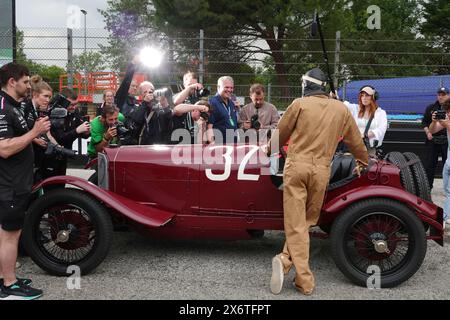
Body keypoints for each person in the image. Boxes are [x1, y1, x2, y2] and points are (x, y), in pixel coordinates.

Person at [267, 67, 368, 296]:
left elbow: (279, 136)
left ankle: (303, 278)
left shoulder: (299, 104)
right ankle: (285, 260)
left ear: (306, 85)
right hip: (322, 170)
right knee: (306, 221)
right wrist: (363, 160)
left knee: (295, 224)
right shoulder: (341, 109)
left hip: (296, 168)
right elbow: (354, 140)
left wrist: (265, 149)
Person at [0, 62, 50, 300]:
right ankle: (9, 286)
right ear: (12, 82)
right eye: (26, 81)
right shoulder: (2, 106)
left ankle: (5, 278)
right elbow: (4, 149)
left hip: (17, 183)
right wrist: (33, 132)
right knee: (10, 235)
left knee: (7, 234)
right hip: (9, 185)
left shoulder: (14, 105)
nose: (29, 85)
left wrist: (33, 137)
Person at [21, 75, 60, 182]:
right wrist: (35, 139)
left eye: (50, 97)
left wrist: (58, 147)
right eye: (45, 96)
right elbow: (20, 130)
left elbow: (47, 134)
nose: (48, 100)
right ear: (35, 94)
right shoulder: (25, 107)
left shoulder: (37, 110)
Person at [343, 85, 387, 157]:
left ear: (373, 97)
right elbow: (344, 105)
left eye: (367, 95)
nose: (364, 98)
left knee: (368, 167)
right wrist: (335, 98)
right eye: (362, 95)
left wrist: (365, 135)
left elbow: (381, 129)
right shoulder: (356, 109)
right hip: (354, 146)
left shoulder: (381, 113)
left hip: (369, 148)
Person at [422, 87, 450, 189]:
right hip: (433, 140)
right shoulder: (431, 107)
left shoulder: (449, 110)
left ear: (448, 95)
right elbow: (424, 122)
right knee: (429, 165)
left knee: (447, 166)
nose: (441, 97)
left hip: (447, 141)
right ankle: (428, 188)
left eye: (443, 94)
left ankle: (448, 188)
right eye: (439, 94)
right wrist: (428, 132)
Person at [428, 98, 450, 227]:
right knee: (447, 192)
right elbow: (432, 131)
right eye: (447, 112)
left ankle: (444, 217)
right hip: (448, 162)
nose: (447, 114)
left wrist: (446, 124)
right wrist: (434, 121)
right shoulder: (446, 119)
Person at [208, 76, 238, 144]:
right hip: (219, 146)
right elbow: (209, 127)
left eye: (231, 88)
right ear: (218, 87)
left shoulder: (231, 103)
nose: (229, 90)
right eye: (226, 87)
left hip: (232, 145)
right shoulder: (213, 103)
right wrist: (212, 144)